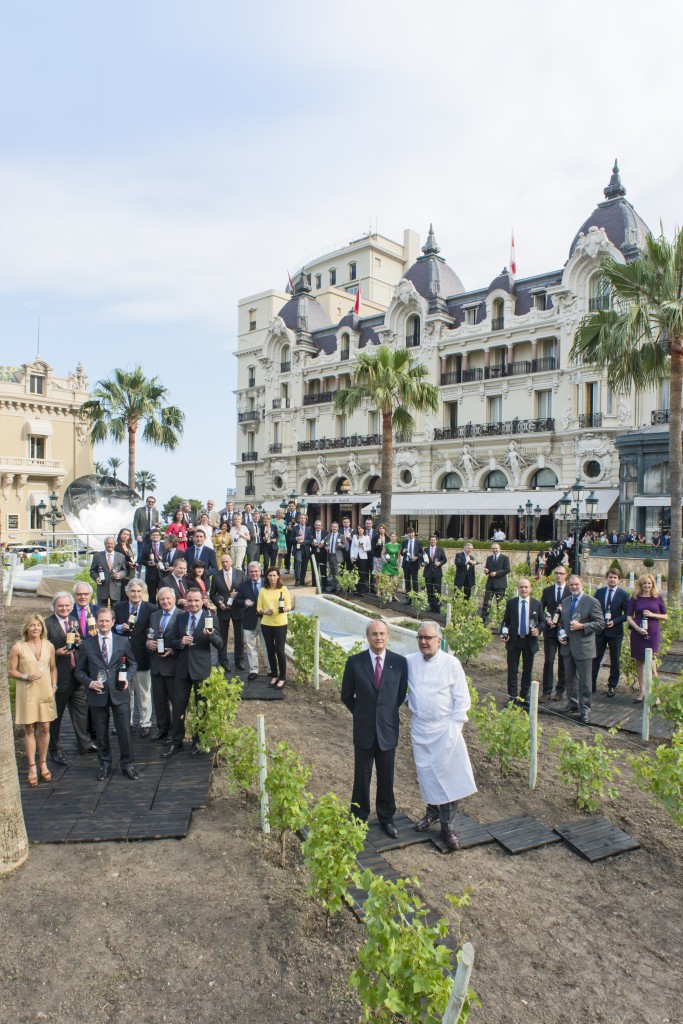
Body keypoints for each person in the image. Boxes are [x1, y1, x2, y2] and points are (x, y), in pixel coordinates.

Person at [406, 622, 476, 850]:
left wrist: (455, 729)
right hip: (420, 727)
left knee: (449, 778)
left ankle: (448, 826)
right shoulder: (410, 661)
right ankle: (432, 812)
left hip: (445, 728)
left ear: (439, 639)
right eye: (420, 638)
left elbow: (462, 699)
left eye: (428, 638)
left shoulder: (451, 664)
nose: (424, 642)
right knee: (427, 774)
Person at [341, 619, 408, 838]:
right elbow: (346, 695)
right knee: (362, 775)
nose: (378, 637)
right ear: (367, 637)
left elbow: (398, 695)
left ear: (388, 636)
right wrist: (363, 714)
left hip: (388, 729)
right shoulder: (355, 662)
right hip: (364, 730)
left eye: (382, 633)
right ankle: (358, 817)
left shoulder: (399, 663)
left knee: (387, 776)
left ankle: (386, 817)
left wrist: (384, 715)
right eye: (374, 634)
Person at [74, 606, 139, 780]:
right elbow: (79, 671)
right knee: (101, 733)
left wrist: (128, 678)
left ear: (113, 622)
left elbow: (133, 664)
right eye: (100, 620)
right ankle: (104, 764)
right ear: (96, 622)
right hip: (97, 694)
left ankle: (127, 764)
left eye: (107, 620)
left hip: (119, 692)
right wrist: (89, 682)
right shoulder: (87, 644)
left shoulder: (122, 641)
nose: (103, 623)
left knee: (124, 731)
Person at [163, 588, 222, 757]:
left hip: (201, 670)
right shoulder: (181, 617)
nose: (193, 604)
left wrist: (210, 636)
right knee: (178, 707)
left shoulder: (210, 618)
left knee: (200, 707)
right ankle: (176, 742)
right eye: (190, 601)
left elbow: (220, 644)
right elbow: (172, 641)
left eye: (196, 601)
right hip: (182, 670)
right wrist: (180, 642)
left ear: (203, 600)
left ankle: (198, 740)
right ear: (186, 601)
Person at [8, 613, 57, 786]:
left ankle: (43, 763)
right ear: (26, 628)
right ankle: (31, 767)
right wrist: (26, 676)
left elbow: (53, 668)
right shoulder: (18, 647)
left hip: (45, 691)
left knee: (44, 727)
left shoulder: (49, 646)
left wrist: (53, 686)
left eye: (38, 625)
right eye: (32, 625)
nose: (36, 628)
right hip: (27, 691)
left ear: (42, 627)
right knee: (29, 728)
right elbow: (11, 671)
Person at [45, 591, 94, 762]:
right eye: (61, 606)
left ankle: (84, 743)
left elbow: (79, 645)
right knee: (56, 716)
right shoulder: (47, 624)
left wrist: (80, 642)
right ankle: (54, 748)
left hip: (77, 675)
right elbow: (42, 650)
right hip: (59, 676)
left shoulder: (73, 620)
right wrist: (55, 653)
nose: (64, 608)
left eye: (67, 605)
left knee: (81, 712)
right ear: (54, 607)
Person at [558, 575, 605, 725]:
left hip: (584, 647)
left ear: (582, 585)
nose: (574, 587)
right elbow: (562, 623)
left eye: (576, 584)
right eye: (571, 585)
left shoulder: (592, 602)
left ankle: (585, 709)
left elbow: (600, 623)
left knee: (585, 681)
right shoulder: (565, 602)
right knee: (570, 678)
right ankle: (572, 703)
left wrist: (582, 626)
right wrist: (561, 635)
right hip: (567, 646)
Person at [113, 580, 157, 737]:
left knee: (144, 692)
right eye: (133, 591)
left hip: (142, 656)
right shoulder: (118, 607)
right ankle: (127, 722)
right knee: (125, 691)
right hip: (122, 657)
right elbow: (110, 626)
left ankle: (145, 722)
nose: (136, 594)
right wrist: (120, 627)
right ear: (127, 592)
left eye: (139, 591)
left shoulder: (151, 609)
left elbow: (154, 629)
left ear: (143, 592)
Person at [626, 574, 668, 703]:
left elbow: (665, 616)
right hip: (638, 633)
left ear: (653, 585)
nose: (647, 586)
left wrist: (653, 614)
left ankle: (655, 695)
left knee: (652, 664)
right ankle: (642, 691)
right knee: (639, 663)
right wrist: (636, 628)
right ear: (640, 584)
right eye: (644, 583)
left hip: (652, 634)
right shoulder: (635, 598)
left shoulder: (657, 597)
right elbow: (628, 616)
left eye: (649, 583)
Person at [502, 579, 543, 709]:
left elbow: (542, 622)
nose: (523, 589)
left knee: (527, 671)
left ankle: (524, 697)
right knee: (512, 670)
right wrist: (504, 633)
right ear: (517, 589)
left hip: (529, 641)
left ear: (530, 589)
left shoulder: (537, 604)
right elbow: (505, 622)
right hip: (514, 641)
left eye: (526, 587)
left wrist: (539, 629)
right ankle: (513, 697)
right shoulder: (511, 603)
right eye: (521, 587)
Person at [146, 586, 179, 742]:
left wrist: (172, 650)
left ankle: (176, 732)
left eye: (168, 598)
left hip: (173, 666)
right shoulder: (154, 615)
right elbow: (150, 634)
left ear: (174, 599)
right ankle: (162, 729)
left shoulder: (182, 615)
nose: (165, 601)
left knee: (176, 701)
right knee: (159, 701)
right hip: (157, 665)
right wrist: (148, 643)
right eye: (162, 599)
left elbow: (185, 639)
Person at [592, 568, 630, 697]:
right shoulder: (599, 592)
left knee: (615, 660)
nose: (612, 579)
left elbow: (627, 614)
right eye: (610, 577)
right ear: (606, 578)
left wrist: (615, 621)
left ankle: (612, 686)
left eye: (615, 577)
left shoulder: (623, 595)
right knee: (595, 657)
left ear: (619, 580)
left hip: (615, 631)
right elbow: (593, 608)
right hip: (600, 631)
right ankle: (591, 684)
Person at [210, 553, 245, 673]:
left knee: (239, 637)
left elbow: (245, 590)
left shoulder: (240, 574)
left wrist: (239, 593)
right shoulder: (216, 576)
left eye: (227, 561)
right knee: (222, 637)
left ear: (232, 562)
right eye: (223, 562)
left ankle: (239, 660)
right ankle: (223, 662)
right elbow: (212, 594)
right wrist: (219, 604)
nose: (225, 564)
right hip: (223, 611)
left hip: (238, 610)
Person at [257, 567, 291, 689]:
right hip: (266, 624)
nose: (272, 578)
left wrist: (283, 609)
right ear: (266, 577)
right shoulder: (263, 590)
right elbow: (258, 608)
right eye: (270, 575)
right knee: (270, 650)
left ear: (278, 576)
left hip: (280, 624)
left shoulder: (283, 589)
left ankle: (282, 677)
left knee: (280, 651)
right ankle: (274, 675)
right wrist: (265, 611)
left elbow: (289, 606)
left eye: (274, 575)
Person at [540, 566, 568, 702]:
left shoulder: (570, 591)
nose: (559, 576)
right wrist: (547, 618)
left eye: (561, 574)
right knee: (549, 661)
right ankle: (546, 692)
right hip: (550, 631)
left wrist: (565, 610)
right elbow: (541, 608)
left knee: (563, 662)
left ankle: (560, 691)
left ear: (566, 575)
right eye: (556, 573)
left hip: (564, 632)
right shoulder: (547, 591)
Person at [235, 562, 266, 679]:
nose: (254, 574)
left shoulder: (266, 583)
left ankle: (270, 669)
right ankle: (253, 670)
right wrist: (244, 603)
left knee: (266, 646)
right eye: (251, 572)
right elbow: (237, 601)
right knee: (251, 646)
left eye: (256, 571)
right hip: (249, 620)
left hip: (265, 620)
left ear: (260, 571)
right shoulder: (243, 585)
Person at [90, 536, 127, 607]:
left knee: (116, 612)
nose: (110, 545)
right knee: (101, 610)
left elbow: (124, 571)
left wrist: (120, 575)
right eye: (108, 543)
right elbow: (92, 571)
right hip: (102, 587)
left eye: (111, 544)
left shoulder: (120, 556)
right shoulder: (97, 556)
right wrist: (96, 578)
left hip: (115, 588)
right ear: (105, 544)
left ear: (114, 544)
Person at [481, 542, 510, 625]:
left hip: (500, 584)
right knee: (486, 602)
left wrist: (496, 573)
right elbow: (488, 569)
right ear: (491, 549)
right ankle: (483, 620)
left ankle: (500, 620)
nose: (495, 550)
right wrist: (486, 571)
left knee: (499, 603)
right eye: (493, 549)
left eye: (496, 548)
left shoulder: (505, 558)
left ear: (499, 548)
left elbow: (507, 570)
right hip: (490, 583)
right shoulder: (489, 558)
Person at [139, 527, 165, 603]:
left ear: (160, 536)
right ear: (150, 536)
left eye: (157, 535)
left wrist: (162, 559)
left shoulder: (165, 546)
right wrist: (147, 563)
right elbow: (141, 560)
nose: (155, 536)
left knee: (163, 596)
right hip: (151, 575)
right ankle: (152, 613)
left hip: (162, 575)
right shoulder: (145, 547)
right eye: (153, 535)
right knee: (151, 596)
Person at [423, 534, 447, 612]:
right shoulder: (425, 550)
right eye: (431, 540)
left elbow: (445, 559)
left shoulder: (440, 549)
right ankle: (431, 606)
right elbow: (421, 560)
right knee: (429, 590)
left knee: (437, 590)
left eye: (434, 540)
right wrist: (422, 564)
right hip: (428, 573)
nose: (433, 541)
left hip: (437, 573)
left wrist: (440, 563)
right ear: (429, 541)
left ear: (436, 541)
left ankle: (437, 607)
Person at [133, 495, 159, 563]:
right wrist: (137, 535)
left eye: (152, 502)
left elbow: (155, 524)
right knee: (140, 554)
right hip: (142, 536)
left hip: (151, 536)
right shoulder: (139, 510)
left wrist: (157, 525)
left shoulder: (156, 512)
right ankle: (138, 572)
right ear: (146, 502)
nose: (151, 503)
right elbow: (135, 524)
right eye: (149, 501)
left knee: (151, 554)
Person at [400, 527, 423, 598]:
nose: (410, 534)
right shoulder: (404, 542)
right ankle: (408, 598)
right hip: (406, 564)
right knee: (407, 582)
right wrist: (402, 552)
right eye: (409, 533)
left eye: (412, 533)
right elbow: (402, 553)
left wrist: (417, 557)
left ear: (414, 533)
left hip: (414, 564)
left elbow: (422, 553)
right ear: (407, 534)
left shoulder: (418, 542)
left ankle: (415, 598)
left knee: (415, 581)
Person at [350, 524, 372, 594]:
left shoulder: (367, 537)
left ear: (364, 530)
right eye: (359, 528)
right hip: (356, 557)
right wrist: (352, 556)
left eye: (361, 528)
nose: (360, 530)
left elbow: (369, 548)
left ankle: (362, 590)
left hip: (363, 557)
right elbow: (352, 547)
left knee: (362, 573)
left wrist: (364, 548)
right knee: (356, 573)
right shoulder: (355, 537)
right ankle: (357, 589)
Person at [381, 531, 402, 601]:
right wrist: (384, 560)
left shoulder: (399, 545)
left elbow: (399, 556)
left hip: (394, 565)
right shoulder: (386, 545)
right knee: (389, 582)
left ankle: (394, 595)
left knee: (395, 582)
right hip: (387, 564)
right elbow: (382, 554)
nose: (393, 537)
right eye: (392, 536)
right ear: (390, 537)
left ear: (396, 537)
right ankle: (389, 595)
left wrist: (399, 564)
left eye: (394, 536)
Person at [324, 521, 344, 592]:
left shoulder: (341, 536)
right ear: (331, 527)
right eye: (333, 527)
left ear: (338, 528)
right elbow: (326, 544)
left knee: (337, 573)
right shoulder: (328, 535)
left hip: (337, 556)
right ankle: (333, 586)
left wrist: (340, 545)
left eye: (335, 527)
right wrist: (326, 547)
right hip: (330, 555)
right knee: (331, 572)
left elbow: (345, 546)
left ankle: (338, 587)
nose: (334, 528)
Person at [293, 513, 311, 586]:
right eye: (301, 518)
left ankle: (302, 580)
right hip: (298, 548)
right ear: (299, 519)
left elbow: (310, 540)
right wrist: (296, 539)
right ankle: (297, 579)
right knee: (298, 561)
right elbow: (290, 539)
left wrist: (303, 542)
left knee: (304, 565)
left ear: (306, 520)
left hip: (306, 549)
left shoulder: (309, 529)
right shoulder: (295, 528)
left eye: (304, 518)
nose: (303, 519)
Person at [309, 518, 328, 588]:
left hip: (323, 554)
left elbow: (328, 542)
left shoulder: (326, 533)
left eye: (319, 525)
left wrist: (324, 544)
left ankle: (324, 585)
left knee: (323, 570)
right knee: (314, 570)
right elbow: (309, 542)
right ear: (314, 526)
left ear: (321, 526)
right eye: (317, 525)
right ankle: (314, 585)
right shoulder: (311, 533)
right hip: (314, 554)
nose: (318, 526)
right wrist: (312, 544)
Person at [371, 524, 388, 594]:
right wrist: (378, 544)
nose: (381, 529)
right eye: (380, 528)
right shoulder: (375, 537)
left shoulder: (387, 538)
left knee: (384, 574)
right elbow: (373, 548)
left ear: (385, 529)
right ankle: (377, 590)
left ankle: (383, 590)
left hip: (385, 558)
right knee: (377, 574)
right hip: (377, 557)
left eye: (382, 528)